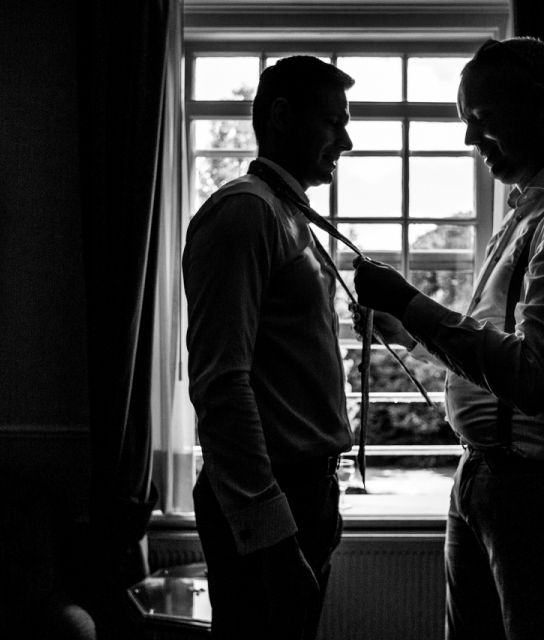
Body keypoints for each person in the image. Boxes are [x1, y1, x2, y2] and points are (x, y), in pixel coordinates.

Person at [353, 37, 544, 640]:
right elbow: (496, 354)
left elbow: (532, 376)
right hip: (491, 481)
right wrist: (407, 333)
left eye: (481, 120)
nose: (469, 141)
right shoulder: (528, 208)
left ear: (538, 104)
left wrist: (410, 304)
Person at [182, 56, 355, 640]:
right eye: (334, 123)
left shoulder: (288, 215)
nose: (347, 141)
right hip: (275, 493)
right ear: (282, 116)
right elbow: (221, 384)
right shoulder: (245, 213)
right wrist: (275, 539)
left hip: (307, 488)